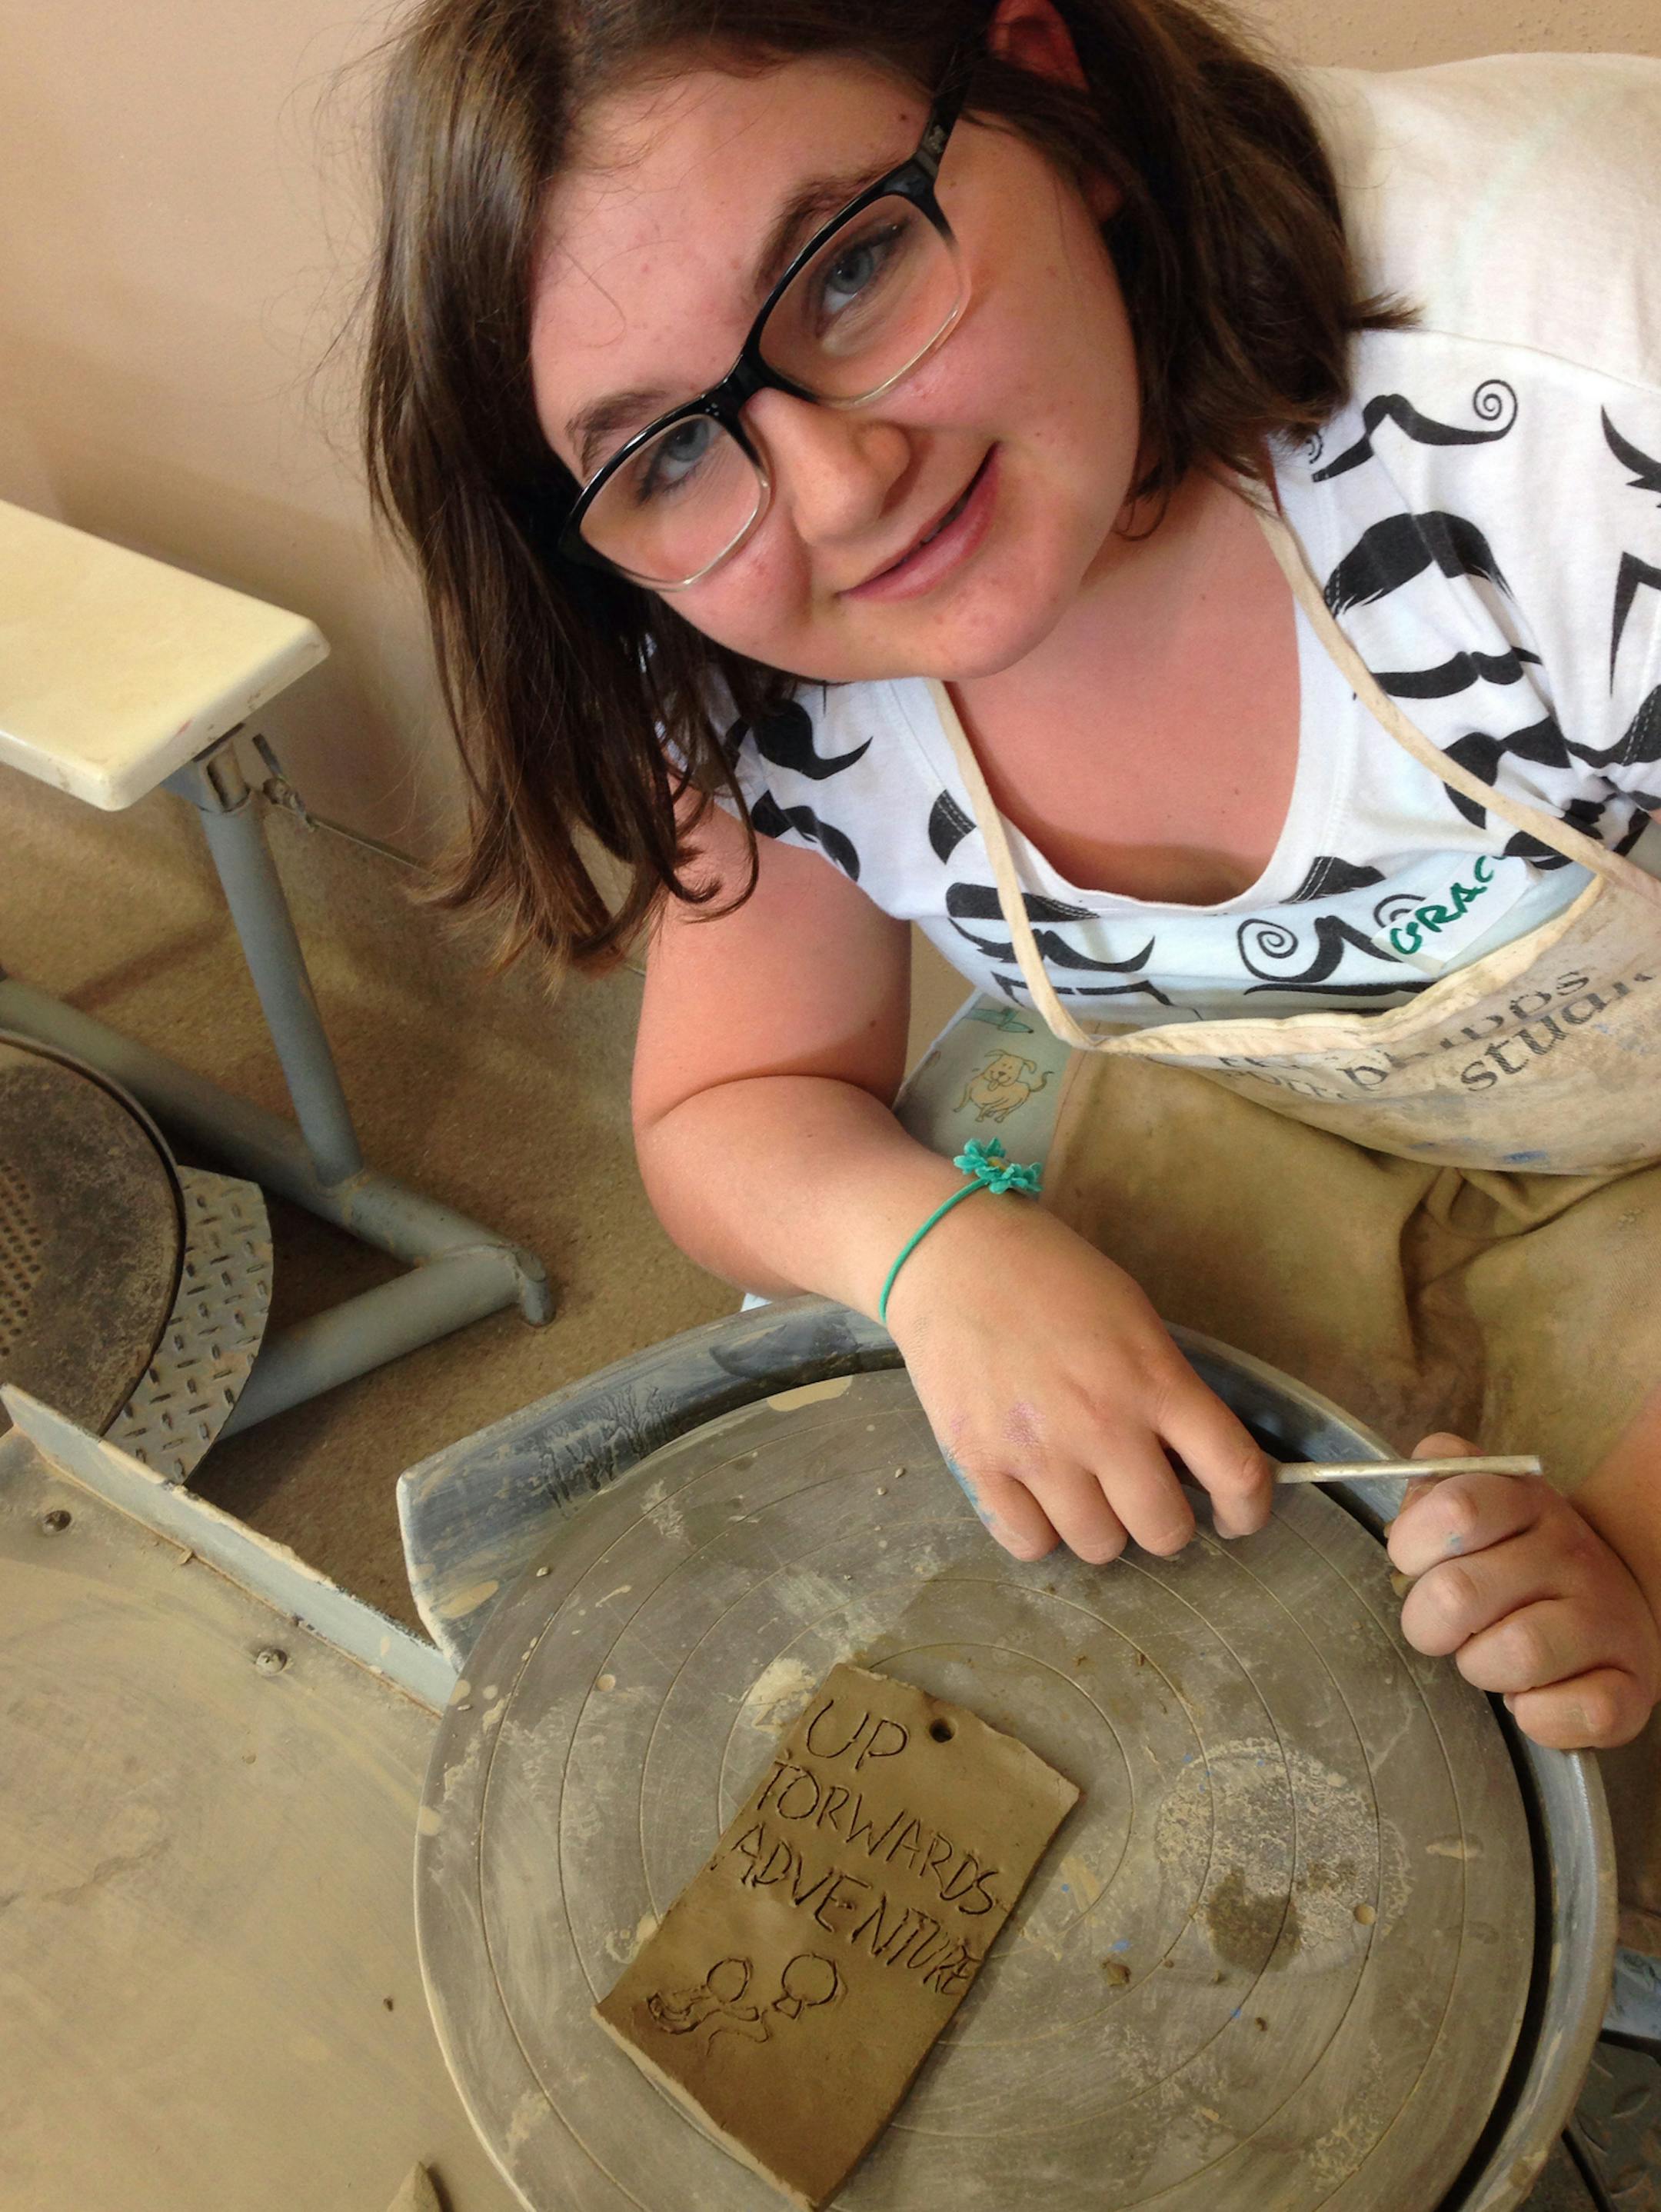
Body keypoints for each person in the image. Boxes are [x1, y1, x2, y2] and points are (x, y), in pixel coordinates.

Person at [360, 0, 1661, 1751]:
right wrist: (931, 1252)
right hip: (1356, 1122)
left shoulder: (1583, 401)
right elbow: (734, 1097)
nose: (834, 492)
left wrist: (1635, 1555)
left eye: (848, 272)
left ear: (1053, 95)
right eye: (667, 449)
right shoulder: (737, 643)